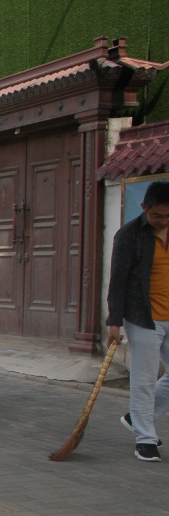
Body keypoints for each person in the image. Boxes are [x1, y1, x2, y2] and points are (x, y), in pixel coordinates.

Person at [107, 181, 169, 463]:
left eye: (168, 216)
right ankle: (145, 439)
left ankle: (137, 418)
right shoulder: (129, 235)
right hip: (144, 316)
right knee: (144, 381)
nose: (163, 221)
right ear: (144, 208)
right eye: (157, 216)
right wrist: (114, 322)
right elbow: (118, 281)